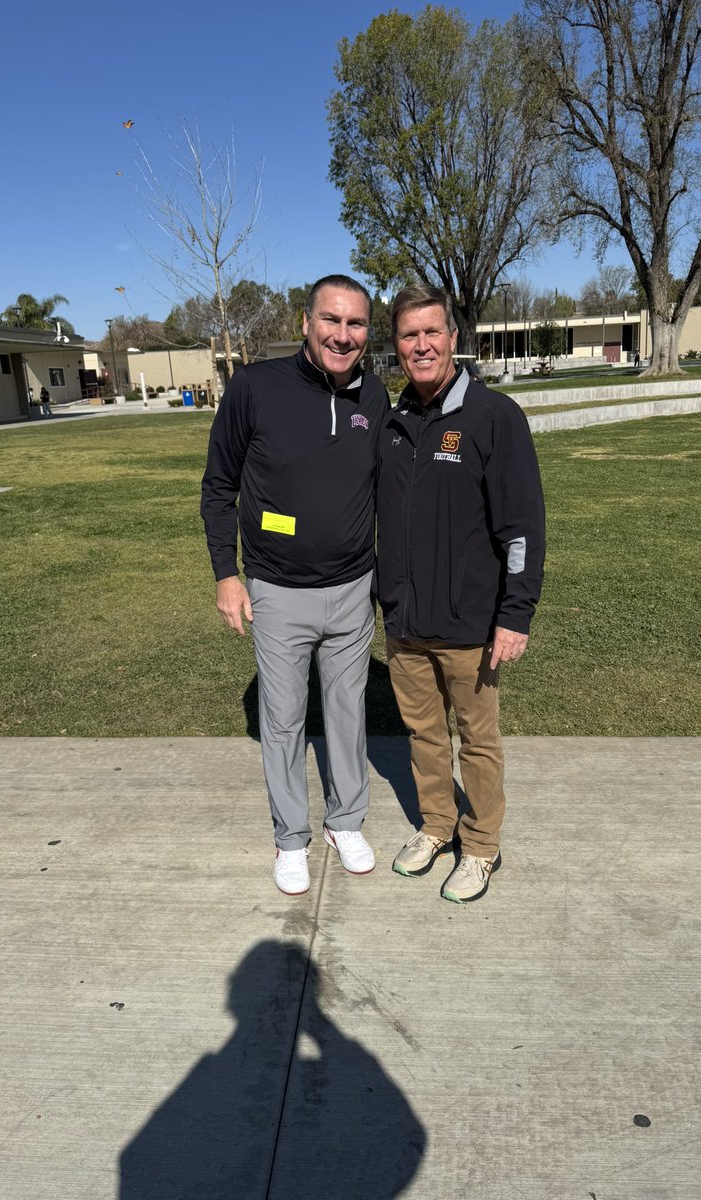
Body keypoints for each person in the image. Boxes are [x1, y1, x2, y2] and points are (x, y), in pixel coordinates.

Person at [201, 275, 389, 896]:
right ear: (305, 322)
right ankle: (290, 838)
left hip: (352, 589)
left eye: (356, 324)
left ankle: (346, 821)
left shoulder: (374, 397)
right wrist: (227, 575)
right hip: (277, 590)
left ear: (367, 332)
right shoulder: (255, 388)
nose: (343, 334)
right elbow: (218, 487)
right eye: (331, 320)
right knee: (282, 721)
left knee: (346, 712)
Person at [376, 285, 545, 903]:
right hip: (405, 621)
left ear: (453, 337)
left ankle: (481, 847)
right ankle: (438, 827)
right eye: (407, 335)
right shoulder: (394, 422)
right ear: (395, 346)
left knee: (477, 740)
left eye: (431, 333)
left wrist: (515, 612)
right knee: (424, 737)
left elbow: (522, 525)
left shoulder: (493, 417)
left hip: (471, 624)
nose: (420, 346)